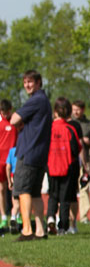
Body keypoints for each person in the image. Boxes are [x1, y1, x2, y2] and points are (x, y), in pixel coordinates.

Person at [10, 70, 52, 240]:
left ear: (39, 82)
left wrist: (20, 121)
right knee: (35, 193)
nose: (27, 85)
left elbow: (13, 119)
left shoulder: (36, 100)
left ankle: (27, 230)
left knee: (23, 190)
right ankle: (40, 231)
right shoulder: (45, 101)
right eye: (25, 82)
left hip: (28, 153)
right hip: (40, 154)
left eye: (30, 82)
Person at [46, 97, 81, 235]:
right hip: (66, 166)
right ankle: (63, 225)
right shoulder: (70, 129)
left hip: (51, 165)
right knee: (65, 197)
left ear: (55, 112)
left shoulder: (49, 128)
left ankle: (50, 216)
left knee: (52, 195)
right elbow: (76, 148)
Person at [71, 100, 90, 224]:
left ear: (83, 110)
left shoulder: (89, 125)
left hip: (85, 160)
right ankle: (68, 216)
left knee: (84, 187)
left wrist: (88, 142)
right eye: (74, 109)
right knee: (70, 188)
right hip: (70, 160)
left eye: (78, 109)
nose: (76, 112)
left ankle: (84, 216)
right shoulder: (68, 123)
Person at [0, 99, 17, 229]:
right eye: (3, 112)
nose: (6, 114)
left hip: (13, 159)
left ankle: (16, 215)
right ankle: (4, 217)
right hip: (0, 161)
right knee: (1, 189)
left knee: (16, 189)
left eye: (7, 111)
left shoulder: (15, 121)